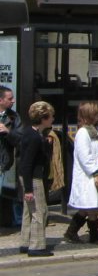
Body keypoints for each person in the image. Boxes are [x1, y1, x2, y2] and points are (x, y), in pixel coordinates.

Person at [63, 101, 98, 246]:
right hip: (89, 175)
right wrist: (94, 173)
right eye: (97, 112)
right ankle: (93, 235)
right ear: (89, 114)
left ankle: (72, 232)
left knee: (89, 207)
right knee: (91, 206)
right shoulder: (83, 133)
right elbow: (84, 156)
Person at [17, 101, 55, 257]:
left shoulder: (30, 133)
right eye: (51, 116)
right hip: (33, 177)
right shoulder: (34, 137)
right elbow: (28, 163)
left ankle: (25, 242)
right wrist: (28, 189)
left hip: (27, 175)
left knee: (28, 211)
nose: (52, 119)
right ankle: (37, 246)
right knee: (40, 211)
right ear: (43, 118)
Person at [0, 86, 23, 228]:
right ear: (0, 100)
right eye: (10, 99)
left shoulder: (13, 117)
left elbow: (20, 139)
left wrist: (8, 131)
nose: (13, 101)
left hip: (4, 163)